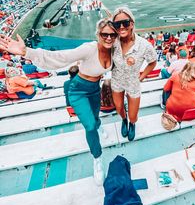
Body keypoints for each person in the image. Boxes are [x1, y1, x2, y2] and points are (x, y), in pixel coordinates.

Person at [0, 18, 117, 186]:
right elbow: (61, 57)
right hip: (78, 90)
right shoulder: (89, 49)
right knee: (89, 125)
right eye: (104, 34)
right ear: (98, 34)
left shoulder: (115, 50)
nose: (108, 37)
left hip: (94, 89)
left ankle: (99, 126)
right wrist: (27, 52)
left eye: (112, 34)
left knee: (96, 118)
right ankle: (97, 158)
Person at [111, 7, 156, 141]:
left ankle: (132, 123)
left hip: (133, 82)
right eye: (117, 24)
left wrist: (141, 77)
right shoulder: (112, 42)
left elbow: (152, 62)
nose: (121, 27)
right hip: (117, 81)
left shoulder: (144, 45)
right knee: (119, 107)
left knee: (133, 114)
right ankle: (124, 120)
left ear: (132, 23)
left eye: (125, 22)